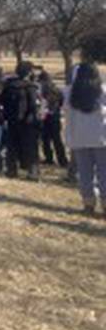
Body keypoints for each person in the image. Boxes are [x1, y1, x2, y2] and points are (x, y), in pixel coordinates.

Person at [64, 63, 106, 217]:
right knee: (104, 173)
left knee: (85, 174)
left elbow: (67, 115)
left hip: (79, 138)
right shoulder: (103, 91)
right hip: (102, 137)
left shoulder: (69, 93)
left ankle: (88, 205)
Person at [1, 61, 42, 180]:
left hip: (12, 120)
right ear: (28, 72)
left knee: (12, 146)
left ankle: (11, 170)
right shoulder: (31, 87)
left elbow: (2, 101)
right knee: (31, 147)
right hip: (28, 122)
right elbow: (33, 105)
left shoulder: (9, 86)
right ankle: (32, 172)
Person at [37, 71, 68, 167]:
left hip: (47, 117)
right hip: (55, 117)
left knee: (47, 140)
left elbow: (43, 103)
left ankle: (50, 158)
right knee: (56, 140)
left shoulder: (45, 90)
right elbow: (62, 102)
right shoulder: (58, 89)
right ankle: (62, 160)